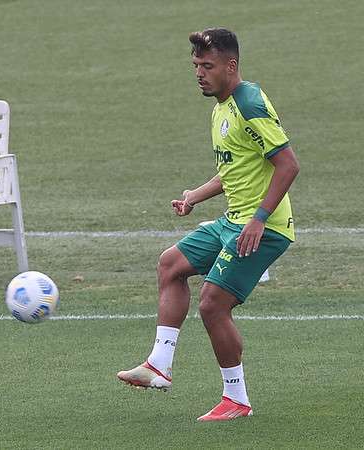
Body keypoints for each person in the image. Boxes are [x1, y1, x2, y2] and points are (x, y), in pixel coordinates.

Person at [117, 28, 300, 421]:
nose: (199, 73)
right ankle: (159, 366)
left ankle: (237, 399)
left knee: (213, 304)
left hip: (263, 227)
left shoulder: (248, 102)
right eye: (196, 66)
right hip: (234, 221)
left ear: (230, 66)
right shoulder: (220, 107)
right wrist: (195, 196)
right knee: (171, 264)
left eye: (208, 66)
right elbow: (235, 170)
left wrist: (258, 219)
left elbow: (288, 165)